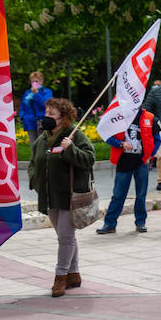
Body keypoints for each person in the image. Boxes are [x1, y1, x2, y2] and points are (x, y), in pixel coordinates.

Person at [29, 99, 95, 298]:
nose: (46, 117)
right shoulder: (42, 139)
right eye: (46, 112)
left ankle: (60, 277)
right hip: (50, 196)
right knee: (65, 237)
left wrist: (71, 149)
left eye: (51, 114)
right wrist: (35, 180)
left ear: (63, 118)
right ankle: (74, 274)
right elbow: (33, 162)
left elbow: (89, 158)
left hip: (70, 195)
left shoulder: (75, 135)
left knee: (65, 237)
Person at [96, 106, 159, 235]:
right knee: (118, 195)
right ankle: (109, 224)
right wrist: (120, 144)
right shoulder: (118, 116)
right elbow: (107, 135)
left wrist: (150, 155)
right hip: (124, 161)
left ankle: (141, 222)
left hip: (142, 162)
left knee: (141, 195)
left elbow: (157, 139)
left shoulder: (150, 118)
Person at [19, 71, 53, 147]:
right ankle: (34, 158)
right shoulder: (27, 93)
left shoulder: (47, 92)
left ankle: (43, 158)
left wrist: (36, 94)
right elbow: (22, 106)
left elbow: (46, 104)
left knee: (43, 143)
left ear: (41, 81)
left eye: (36, 81)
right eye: (32, 81)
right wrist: (22, 116)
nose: (34, 83)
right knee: (33, 144)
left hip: (41, 121)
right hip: (30, 121)